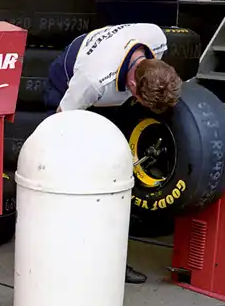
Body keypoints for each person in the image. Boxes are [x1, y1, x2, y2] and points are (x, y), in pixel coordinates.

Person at [44, 23, 183, 285]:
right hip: (68, 80)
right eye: (141, 100)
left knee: (115, 172)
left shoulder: (157, 38)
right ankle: (64, 258)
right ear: (132, 83)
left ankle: (112, 261)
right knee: (76, 175)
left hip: (113, 71)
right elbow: (59, 125)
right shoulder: (92, 80)